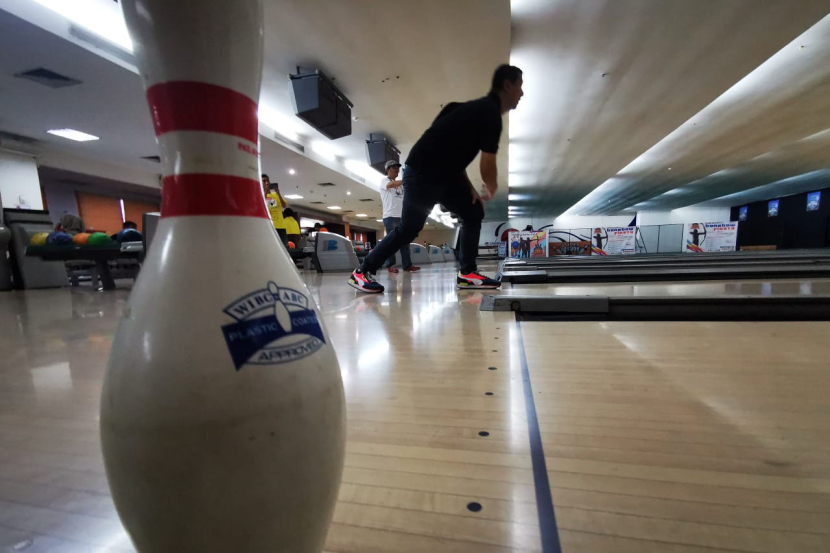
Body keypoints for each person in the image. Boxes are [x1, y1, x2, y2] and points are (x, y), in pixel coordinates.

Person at [349, 64, 523, 293]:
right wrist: (491, 186)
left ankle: (467, 273)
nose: (521, 94)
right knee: (409, 229)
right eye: (520, 87)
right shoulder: (490, 114)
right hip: (422, 173)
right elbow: (487, 163)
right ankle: (362, 272)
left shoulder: (457, 109)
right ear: (507, 86)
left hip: (443, 176)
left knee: (473, 212)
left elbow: (448, 150)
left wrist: (469, 188)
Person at [379, 160, 420, 274]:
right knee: (392, 241)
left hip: (401, 216)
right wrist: (405, 180)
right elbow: (390, 185)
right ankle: (390, 265)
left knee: (405, 242)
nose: (397, 169)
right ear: (388, 170)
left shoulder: (400, 186)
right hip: (390, 216)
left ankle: (407, 265)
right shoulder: (384, 180)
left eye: (398, 167)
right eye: (394, 167)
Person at [262, 174, 287, 244]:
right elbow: (261, 204)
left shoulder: (275, 194)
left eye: (267, 180)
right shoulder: (260, 195)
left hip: (281, 225)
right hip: (270, 226)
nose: (267, 183)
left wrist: (278, 193)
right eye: (264, 181)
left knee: (285, 247)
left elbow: (284, 205)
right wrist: (266, 192)